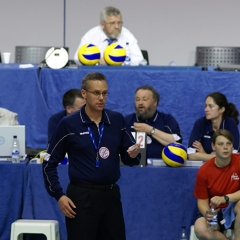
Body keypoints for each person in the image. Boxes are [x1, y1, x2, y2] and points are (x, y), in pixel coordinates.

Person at [42, 72, 140, 240]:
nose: (101, 98)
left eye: (104, 93)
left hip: (110, 196)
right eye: (96, 93)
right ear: (84, 94)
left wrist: (133, 154)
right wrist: (59, 195)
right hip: (81, 197)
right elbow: (48, 163)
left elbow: (130, 159)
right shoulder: (68, 124)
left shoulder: (116, 120)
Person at [193, 129, 240, 239]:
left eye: (228, 144)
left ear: (232, 147)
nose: (225, 147)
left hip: (233, 207)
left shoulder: (238, 162)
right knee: (200, 228)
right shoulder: (204, 171)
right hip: (215, 212)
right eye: (220, 144)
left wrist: (226, 198)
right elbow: (202, 201)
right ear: (213, 147)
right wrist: (207, 214)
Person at [124, 85, 182, 159]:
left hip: (161, 167)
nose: (140, 103)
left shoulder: (166, 120)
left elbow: (177, 142)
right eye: (137, 99)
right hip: (133, 167)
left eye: (145, 99)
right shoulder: (127, 121)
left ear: (155, 102)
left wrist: (150, 130)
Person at [74, 6, 144, 66]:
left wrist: (117, 61)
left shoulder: (127, 35)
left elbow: (139, 61)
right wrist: (96, 61)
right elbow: (77, 59)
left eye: (119, 23)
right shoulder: (91, 36)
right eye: (112, 23)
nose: (117, 26)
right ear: (102, 25)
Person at [188, 92, 239, 161]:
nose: (206, 109)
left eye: (211, 106)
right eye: (206, 106)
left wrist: (204, 154)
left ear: (222, 109)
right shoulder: (200, 123)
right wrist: (219, 156)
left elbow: (234, 156)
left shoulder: (230, 123)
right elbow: (191, 155)